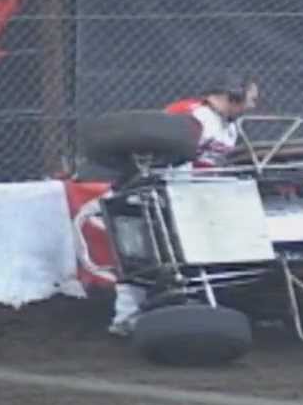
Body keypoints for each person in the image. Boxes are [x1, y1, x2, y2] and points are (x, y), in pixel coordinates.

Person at [109, 73, 261, 336]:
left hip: (190, 198)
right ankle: (126, 317)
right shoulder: (192, 116)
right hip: (151, 194)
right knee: (142, 257)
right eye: (251, 99)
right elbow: (160, 159)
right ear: (232, 95)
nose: (253, 106)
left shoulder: (229, 126)